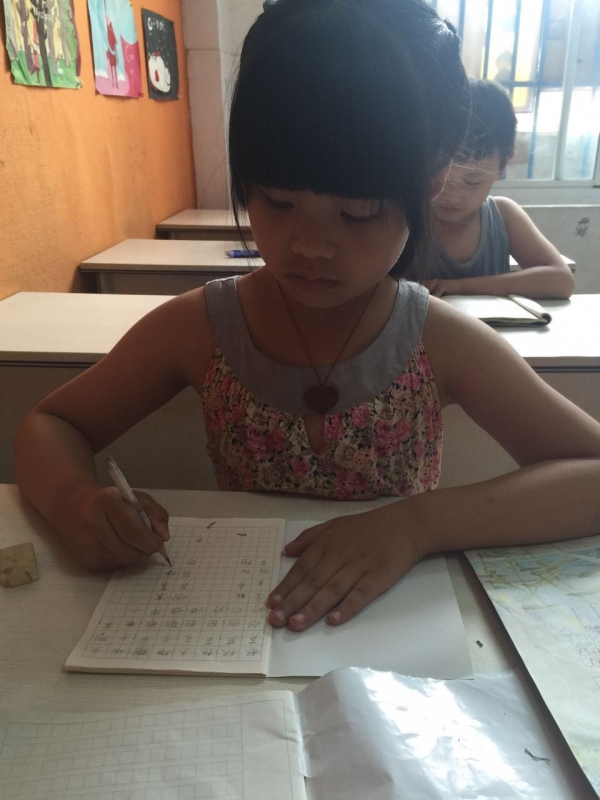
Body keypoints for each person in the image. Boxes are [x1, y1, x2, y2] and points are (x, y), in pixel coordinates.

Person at [15, 0, 600, 636]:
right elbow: (52, 424)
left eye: (358, 213)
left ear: (432, 182)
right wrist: (76, 501)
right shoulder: (202, 327)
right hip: (239, 627)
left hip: (389, 634)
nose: (310, 246)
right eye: (277, 201)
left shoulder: (438, 341)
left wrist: (419, 523)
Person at [406, 78, 574, 299]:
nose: (453, 196)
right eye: (440, 178)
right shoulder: (407, 217)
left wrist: (461, 287)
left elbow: (561, 281)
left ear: (503, 165)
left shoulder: (503, 216)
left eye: (472, 182)